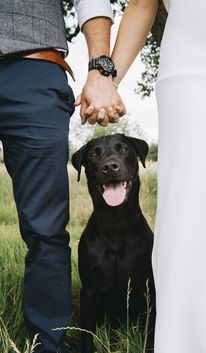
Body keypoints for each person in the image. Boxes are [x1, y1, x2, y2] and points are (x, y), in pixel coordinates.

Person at [88, 0, 206, 352]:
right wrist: (107, 77)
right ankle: (191, 340)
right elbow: (142, 3)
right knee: (191, 202)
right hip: (195, 58)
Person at [0, 1, 126, 352]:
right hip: (34, 74)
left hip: (34, 69)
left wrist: (101, 69)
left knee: (46, 227)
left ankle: (48, 345)